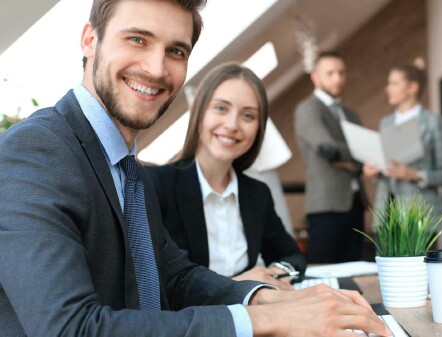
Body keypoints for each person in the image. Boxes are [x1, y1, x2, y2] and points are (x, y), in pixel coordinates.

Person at [0, 1, 391, 336]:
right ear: (90, 39)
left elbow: (174, 276)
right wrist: (262, 319)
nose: (156, 68)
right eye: (137, 39)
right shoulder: (36, 151)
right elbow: (71, 329)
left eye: (176, 51)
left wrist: (275, 298)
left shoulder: (127, 168)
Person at [146, 63, 304, 290]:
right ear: (200, 113)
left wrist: (277, 273)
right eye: (221, 108)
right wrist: (240, 285)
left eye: (248, 116)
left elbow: (291, 256)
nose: (232, 125)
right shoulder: (157, 184)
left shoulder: (256, 194)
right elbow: (159, 286)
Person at [294, 51, 367, 264]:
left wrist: (349, 161)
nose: (337, 78)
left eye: (341, 73)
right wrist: (358, 157)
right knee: (323, 269)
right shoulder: (308, 109)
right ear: (315, 77)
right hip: (326, 204)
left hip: (355, 202)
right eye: (330, 73)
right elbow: (327, 148)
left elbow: (354, 155)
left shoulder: (351, 114)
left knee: (354, 268)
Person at [363, 64, 442, 218]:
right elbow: (384, 169)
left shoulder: (433, 122)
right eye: (389, 83)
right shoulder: (385, 123)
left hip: (419, 212)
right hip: (386, 210)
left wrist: (415, 174)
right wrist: (374, 172)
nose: (388, 89)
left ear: (412, 87)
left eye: (394, 83)